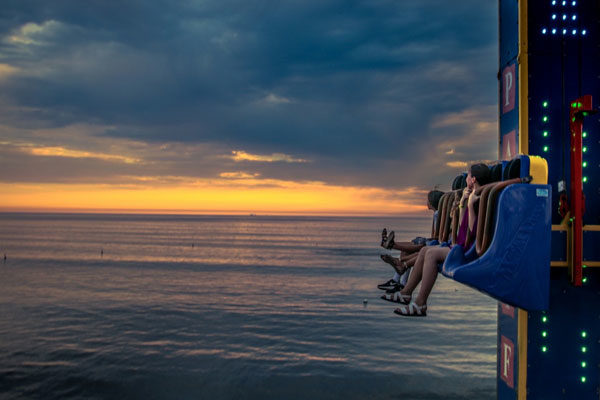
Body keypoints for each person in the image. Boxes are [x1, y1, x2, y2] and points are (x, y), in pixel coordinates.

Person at [383, 163, 491, 317]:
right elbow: (462, 227)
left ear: (473, 179)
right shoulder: (472, 196)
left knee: (431, 254)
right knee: (426, 250)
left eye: (468, 175)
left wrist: (471, 205)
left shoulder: (480, 198)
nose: (466, 178)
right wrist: (462, 204)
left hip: (466, 249)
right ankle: (406, 292)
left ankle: (420, 303)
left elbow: (473, 230)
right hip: (459, 245)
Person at [376, 190, 444, 291]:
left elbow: (436, 236)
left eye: (428, 200)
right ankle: (399, 281)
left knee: (418, 244)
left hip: (437, 244)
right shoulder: (438, 213)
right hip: (437, 242)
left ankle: (392, 246)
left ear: (432, 202)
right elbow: (435, 235)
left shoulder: (437, 214)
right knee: (410, 247)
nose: (427, 202)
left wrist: (427, 240)